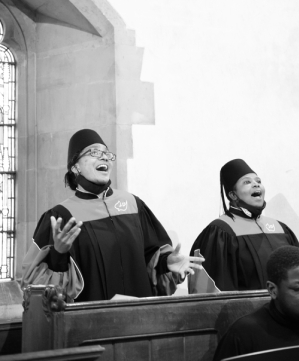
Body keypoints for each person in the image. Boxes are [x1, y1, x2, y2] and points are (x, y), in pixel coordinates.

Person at [20, 129, 203, 301]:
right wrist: (57, 254)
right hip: (92, 327)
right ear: (75, 167)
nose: (104, 158)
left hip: (140, 320)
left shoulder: (133, 205)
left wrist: (166, 261)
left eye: (107, 154)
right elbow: (35, 285)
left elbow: (151, 257)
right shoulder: (62, 216)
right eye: (94, 153)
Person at [189, 159, 299, 293]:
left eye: (258, 181)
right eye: (247, 182)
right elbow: (214, 293)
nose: (256, 185)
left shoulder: (281, 229)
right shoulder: (220, 232)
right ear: (232, 195)